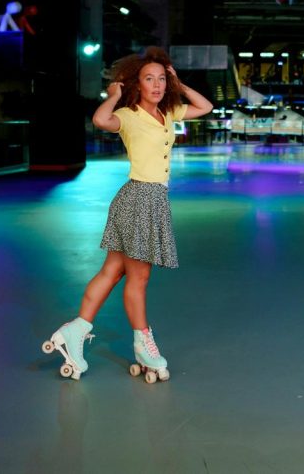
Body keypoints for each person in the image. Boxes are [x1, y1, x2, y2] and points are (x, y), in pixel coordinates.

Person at [45, 46, 213, 382]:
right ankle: (143, 344)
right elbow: (100, 119)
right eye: (149, 79)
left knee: (112, 271)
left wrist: (178, 82)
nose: (157, 85)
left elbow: (206, 106)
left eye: (161, 79)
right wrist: (115, 94)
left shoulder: (168, 114)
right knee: (139, 278)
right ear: (137, 84)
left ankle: (74, 331)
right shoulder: (130, 115)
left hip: (149, 200)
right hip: (139, 199)